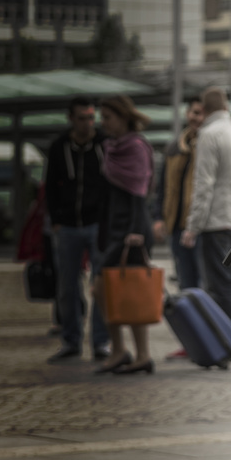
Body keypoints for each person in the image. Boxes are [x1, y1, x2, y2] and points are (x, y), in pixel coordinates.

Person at [44, 96, 110, 363]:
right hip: (68, 225)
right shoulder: (60, 147)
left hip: (97, 223)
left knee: (100, 284)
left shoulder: (103, 144)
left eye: (91, 118)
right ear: (71, 118)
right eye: (82, 118)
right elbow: (49, 185)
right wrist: (56, 219)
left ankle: (100, 341)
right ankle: (71, 340)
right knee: (67, 286)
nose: (87, 123)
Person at [181, 87, 231, 331]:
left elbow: (203, 184)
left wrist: (193, 226)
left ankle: (223, 342)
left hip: (216, 221)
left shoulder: (209, 134)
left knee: (217, 287)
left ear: (205, 109)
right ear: (226, 107)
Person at [93, 95, 156, 374]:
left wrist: (134, 231)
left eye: (107, 117)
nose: (103, 123)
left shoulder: (136, 147)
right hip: (114, 227)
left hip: (133, 229)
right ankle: (121, 350)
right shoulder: (111, 147)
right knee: (107, 289)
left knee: (128, 290)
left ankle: (139, 353)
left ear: (122, 117)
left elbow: (138, 193)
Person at [153, 96, 205, 292]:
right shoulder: (174, 148)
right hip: (177, 227)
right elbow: (163, 187)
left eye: (202, 114)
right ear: (187, 113)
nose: (198, 118)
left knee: (204, 284)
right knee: (185, 284)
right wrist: (159, 217)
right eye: (195, 113)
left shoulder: (211, 145)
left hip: (202, 229)